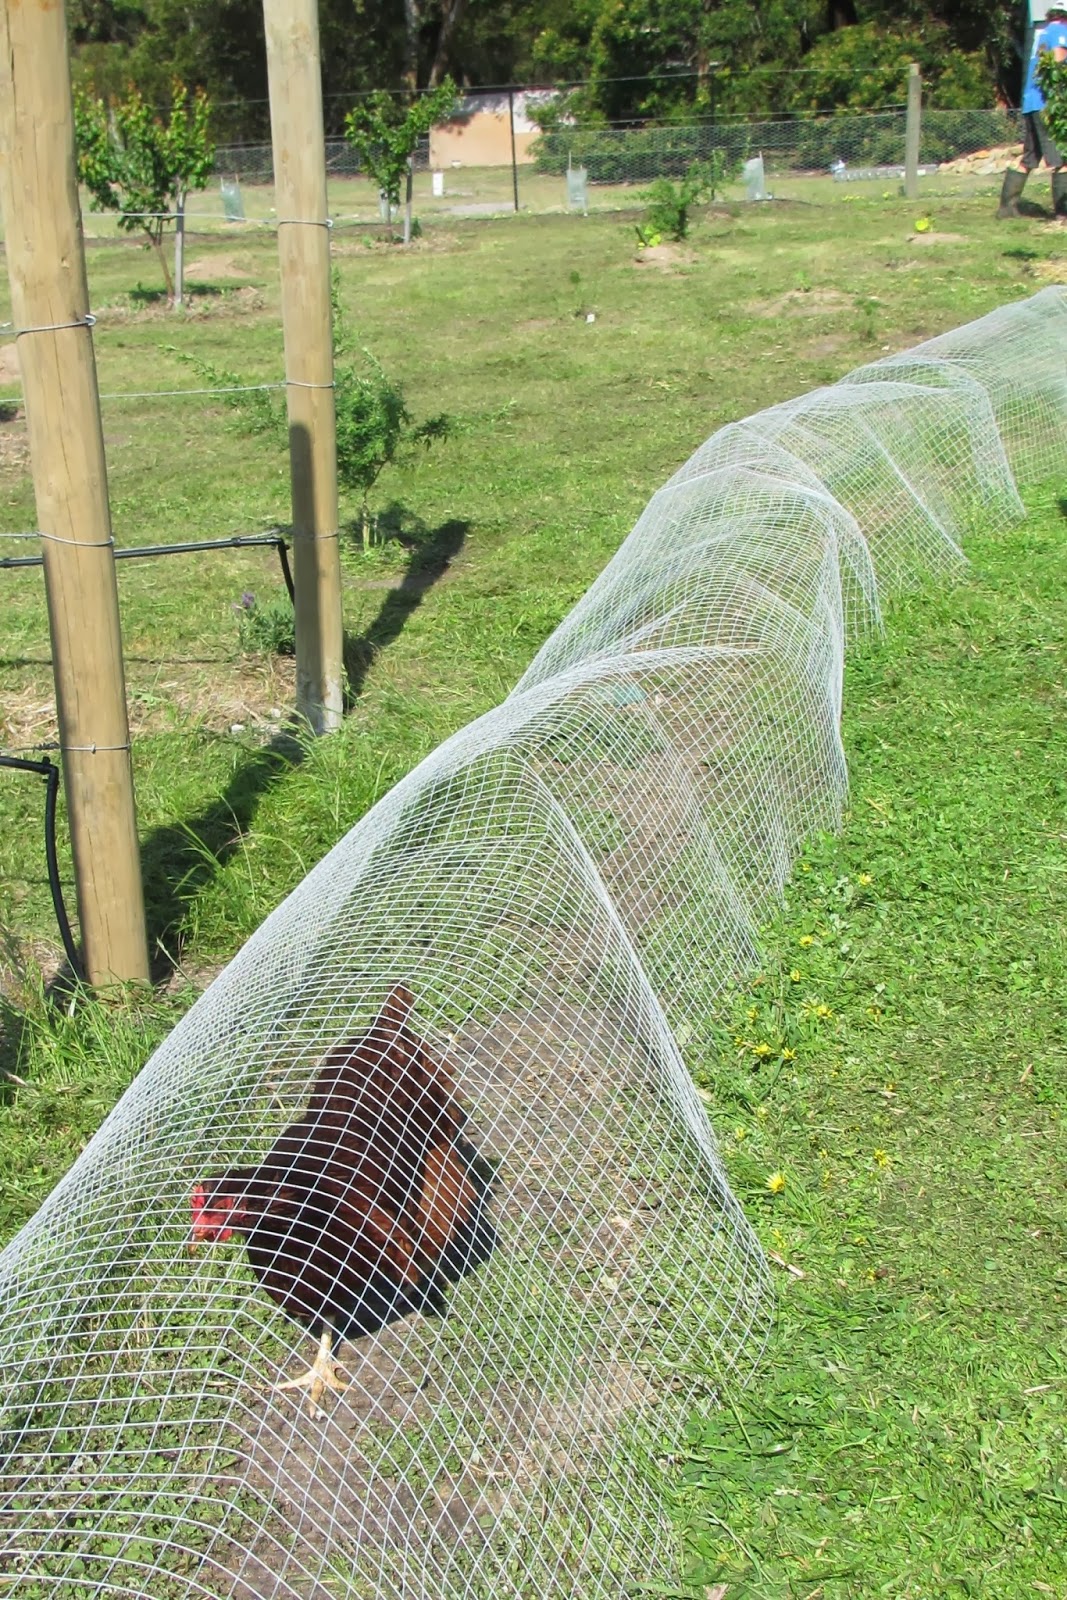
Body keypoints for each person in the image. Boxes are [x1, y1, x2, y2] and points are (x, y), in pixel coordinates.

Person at [999, 7, 1067, 217]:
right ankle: (1064, 214)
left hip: (1031, 102)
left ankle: (1007, 208)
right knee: (1063, 160)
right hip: (1048, 105)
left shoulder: (1043, 33)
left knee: (1029, 159)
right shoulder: (1061, 32)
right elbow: (1058, 62)